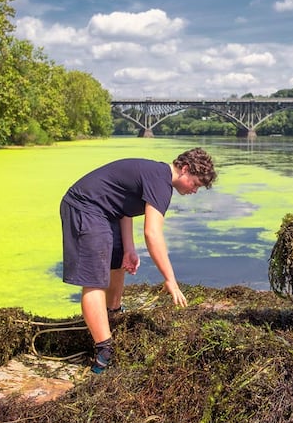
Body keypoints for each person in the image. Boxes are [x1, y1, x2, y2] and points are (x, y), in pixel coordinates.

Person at [60, 147, 217, 373]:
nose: (195, 190)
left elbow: (124, 208)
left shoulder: (157, 177)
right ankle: (105, 352)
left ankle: (112, 316)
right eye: (195, 183)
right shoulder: (161, 182)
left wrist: (128, 249)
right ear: (184, 169)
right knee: (94, 279)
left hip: (105, 212)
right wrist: (170, 280)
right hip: (85, 207)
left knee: (116, 263)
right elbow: (152, 233)